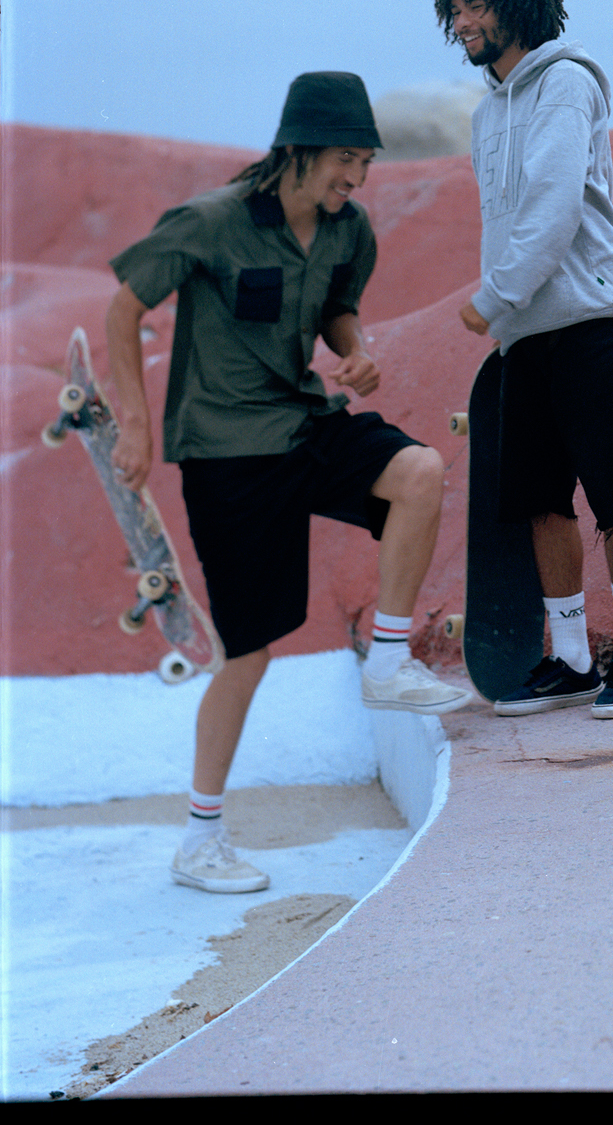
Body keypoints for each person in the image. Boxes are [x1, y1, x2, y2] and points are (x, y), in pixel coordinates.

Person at [106, 71, 471, 896]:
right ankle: (200, 838)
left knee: (417, 470)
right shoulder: (211, 223)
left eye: (366, 163)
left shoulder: (350, 230)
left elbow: (335, 307)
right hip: (227, 453)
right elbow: (123, 310)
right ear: (300, 149)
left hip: (304, 422)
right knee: (249, 653)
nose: (357, 178)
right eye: (347, 159)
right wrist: (135, 423)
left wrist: (354, 346)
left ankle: (388, 659)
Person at [434, 0, 613, 720]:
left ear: (517, 6)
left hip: (591, 316)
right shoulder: (484, 113)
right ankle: (570, 659)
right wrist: (507, 315)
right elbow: (504, 218)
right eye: (455, 9)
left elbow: (557, 206)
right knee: (540, 500)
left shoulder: (565, 84)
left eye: (476, 6)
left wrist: (493, 298)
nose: (463, 22)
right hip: (525, 331)